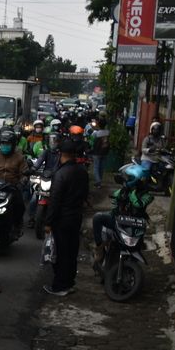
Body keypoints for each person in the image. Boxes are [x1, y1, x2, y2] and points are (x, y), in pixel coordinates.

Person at [42, 135, 89, 297]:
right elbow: (85, 195)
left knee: (61, 254)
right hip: (76, 217)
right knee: (71, 251)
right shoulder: (82, 171)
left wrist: (48, 222)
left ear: (62, 155)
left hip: (62, 219)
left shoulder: (61, 174)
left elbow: (54, 201)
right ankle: (69, 283)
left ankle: (60, 285)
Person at [92, 164, 154, 268]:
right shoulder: (123, 191)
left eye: (129, 178)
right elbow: (114, 200)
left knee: (138, 243)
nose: (126, 181)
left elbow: (138, 205)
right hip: (119, 222)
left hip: (135, 225)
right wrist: (121, 195)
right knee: (97, 217)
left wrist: (132, 193)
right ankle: (99, 248)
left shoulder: (147, 195)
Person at [0, 128, 28, 241]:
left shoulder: (19, 157)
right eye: (3, 143)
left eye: (7, 143)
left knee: (20, 205)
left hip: (12, 188)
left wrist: (22, 182)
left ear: (13, 145)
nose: (5, 146)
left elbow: (25, 173)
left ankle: (17, 226)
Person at [89, 117, 111, 188]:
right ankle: (99, 181)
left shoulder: (95, 133)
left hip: (96, 152)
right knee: (101, 167)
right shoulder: (108, 132)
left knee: (96, 167)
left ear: (98, 124)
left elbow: (91, 142)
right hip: (105, 152)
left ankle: (98, 182)